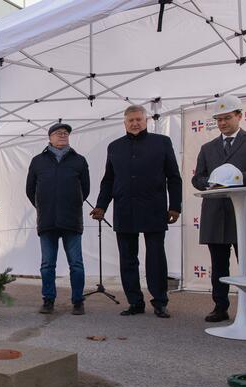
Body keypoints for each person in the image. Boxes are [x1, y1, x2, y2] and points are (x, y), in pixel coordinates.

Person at [91, 105, 182, 318]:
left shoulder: (162, 143)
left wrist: (175, 206)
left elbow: (174, 177)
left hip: (154, 208)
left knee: (156, 257)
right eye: (131, 120)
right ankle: (135, 302)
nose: (135, 123)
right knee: (127, 259)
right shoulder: (114, 147)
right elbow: (109, 180)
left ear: (146, 120)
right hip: (124, 209)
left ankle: (160, 302)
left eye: (139, 119)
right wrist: (101, 205)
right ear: (125, 123)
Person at [191, 95, 246, 324]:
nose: (222, 123)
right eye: (219, 119)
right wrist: (208, 183)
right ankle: (220, 306)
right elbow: (198, 178)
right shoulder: (207, 148)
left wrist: (232, 178)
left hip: (245, 213)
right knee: (219, 264)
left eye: (227, 118)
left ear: (239, 116)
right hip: (215, 213)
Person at [26, 123, 90, 315]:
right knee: (47, 264)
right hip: (47, 220)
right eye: (58, 133)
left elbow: (85, 190)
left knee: (76, 264)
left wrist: (71, 204)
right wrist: (44, 206)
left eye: (66, 133)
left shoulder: (79, 160)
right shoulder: (38, 161)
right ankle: (48, 300)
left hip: (72, 220)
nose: (63, 135)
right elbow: (30, 190)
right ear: (50, 137)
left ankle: (78, 301)